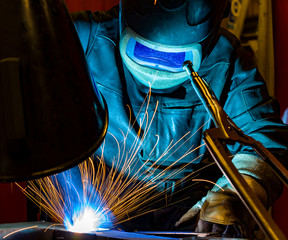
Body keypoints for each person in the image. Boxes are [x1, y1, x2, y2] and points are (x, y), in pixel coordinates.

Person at [68, 0, 288, 237]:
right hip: (99, 223)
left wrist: (235, 194)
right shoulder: (83, 38)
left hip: (187, 227)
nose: (156, 68)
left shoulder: (227, 61)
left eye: (174, 59)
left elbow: (265, 139)